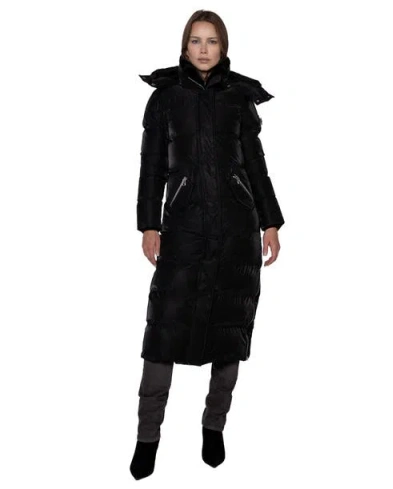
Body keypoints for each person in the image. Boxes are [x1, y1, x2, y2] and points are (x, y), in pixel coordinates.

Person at [130, 9, 285, 480]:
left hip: (237, 232)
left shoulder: (239, 97)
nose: (203, 49)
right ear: (184, 46)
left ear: (223, 47)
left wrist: (270, 222)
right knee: (162, 335)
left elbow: (256, 165)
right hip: (183, 230)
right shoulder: (165, 98)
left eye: (212, 41)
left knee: (228, 333)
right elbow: (151, 166)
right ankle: (147, 437)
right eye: (196, 40)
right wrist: (149, 225)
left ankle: (213, 426)